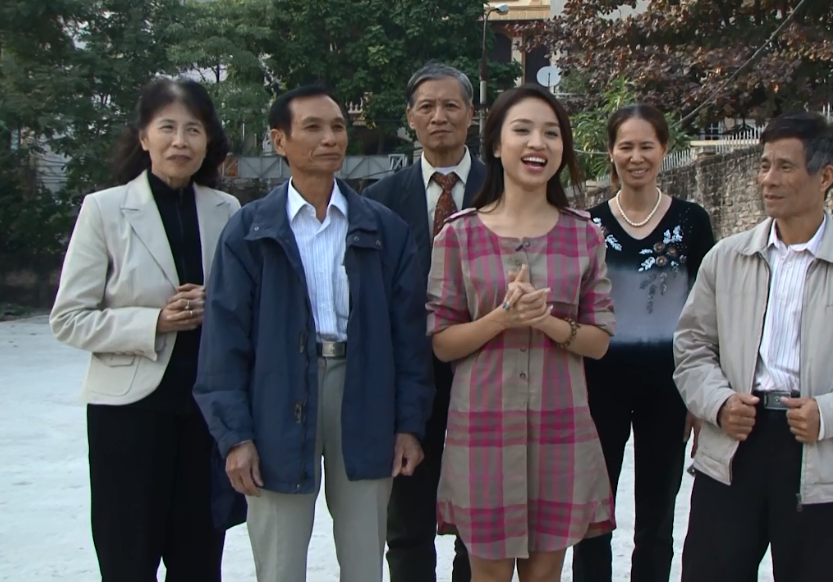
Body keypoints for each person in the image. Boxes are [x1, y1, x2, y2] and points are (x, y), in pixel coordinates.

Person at [193, 85, 433, 582]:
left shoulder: (383, 229)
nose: (331, 139)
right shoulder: (250, 230)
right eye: (314, 128)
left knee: (365, 559)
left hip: (364, 392)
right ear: (279, 140)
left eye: (338, 127)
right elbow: (224, 343)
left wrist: (409, 423)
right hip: (277, 395)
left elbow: (409, 337)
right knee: (279, 560)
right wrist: (235, 436)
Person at [672, 111, 833, 582]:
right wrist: (718, 403)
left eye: (785, 167)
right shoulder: (727, 258)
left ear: (825, 177)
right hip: (735, 441)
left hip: (818, 449)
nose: (768, 179)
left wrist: (831, 414)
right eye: (764, 165)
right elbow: (692, 346)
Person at [49, 77, 243, 582]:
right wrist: (154, 321)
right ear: (143, 137)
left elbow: (246, 305)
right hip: (128, 413)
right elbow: (69, 318)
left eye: (193, 129)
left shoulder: (226, 212)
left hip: (205, 412)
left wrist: (215, 304)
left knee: (199, 558)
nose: (180, 141)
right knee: (127, 557)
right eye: (167, 128)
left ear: (208, 140)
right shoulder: (104, 209)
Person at [426, 84, 616, 582]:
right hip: (482, 428)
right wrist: (501, 319)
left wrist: (544, 320)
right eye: (523, 130)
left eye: (551, 133)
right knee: (487, 575)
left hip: (560, 427)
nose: (538, 143)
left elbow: (598, 341)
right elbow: (442, 341)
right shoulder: (459, 235)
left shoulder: (584, 234)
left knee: (544, 577)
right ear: (495, 144)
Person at [572, 103, 715, 582]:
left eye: (646, 146)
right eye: (626, 146)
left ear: (664, 149)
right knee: (592, 516)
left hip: (669, 388)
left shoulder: (691, 222)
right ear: (611, 152)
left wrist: (701, 394)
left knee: (657, 518)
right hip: (598, 386)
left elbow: (707, 310)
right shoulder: (587, 226)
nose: (636, 157)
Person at [363, 61, 482, 582]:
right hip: (408, 378)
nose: (440, 117)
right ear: (410, 117)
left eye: (451, 105)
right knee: (408, 520)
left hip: (486, 371)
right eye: (427, 107)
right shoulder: (379, 200)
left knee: (480, 519)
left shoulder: (505, 188)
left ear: (471, 114)